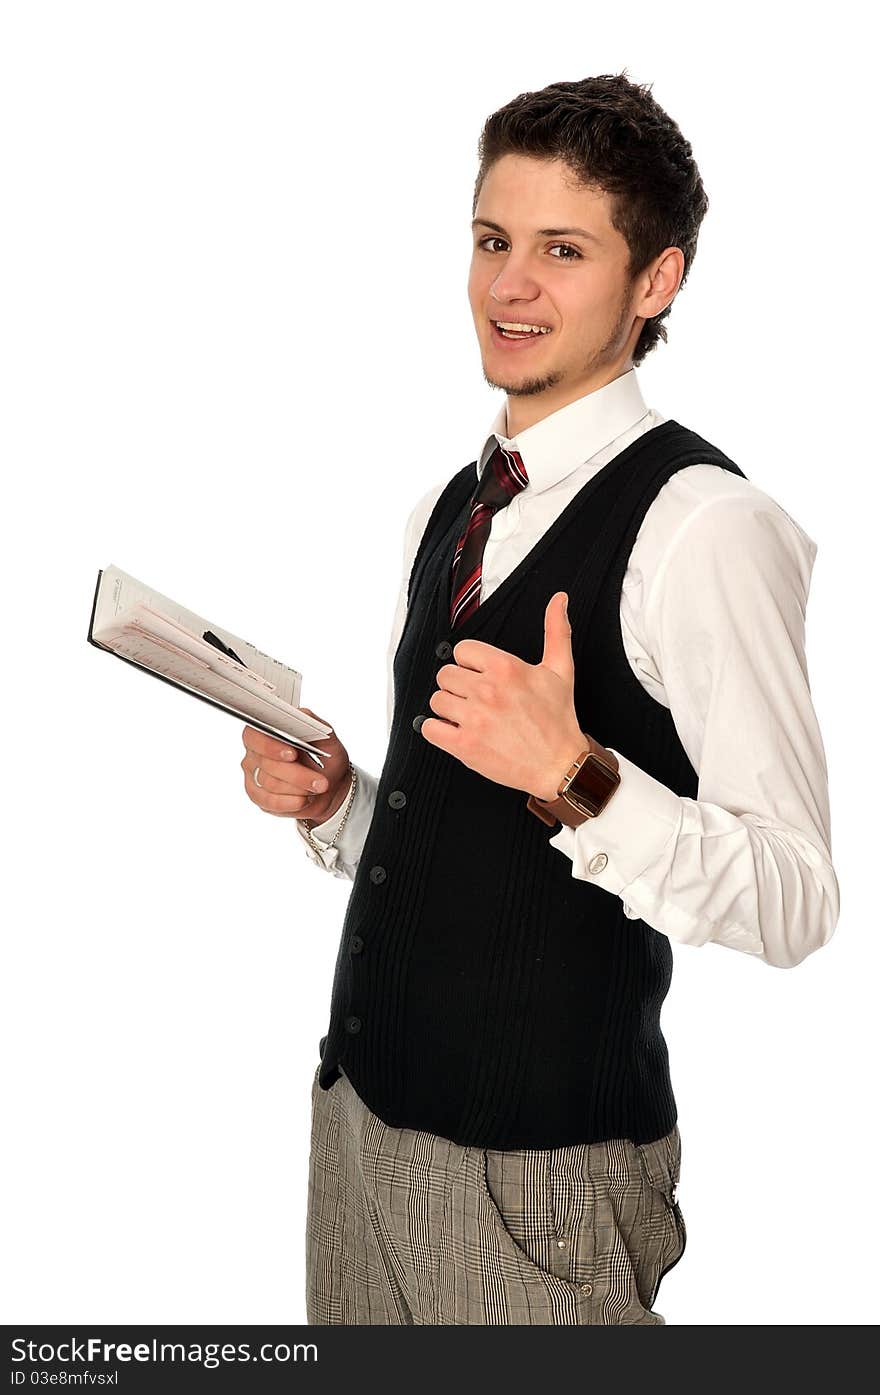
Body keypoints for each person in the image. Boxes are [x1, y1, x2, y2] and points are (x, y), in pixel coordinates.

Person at [240, 72, 840, 1325]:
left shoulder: (705, 528)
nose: (510, 286)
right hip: (353, 1135)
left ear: (655, 281)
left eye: (563, 251)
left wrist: (578, 776)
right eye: (492, 240)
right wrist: (340, 800)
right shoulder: (450, 509)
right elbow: (474, 862)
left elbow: (797, 900)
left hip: (538, 1189)